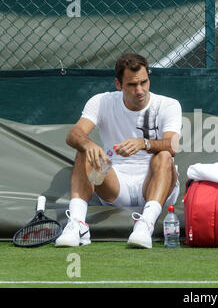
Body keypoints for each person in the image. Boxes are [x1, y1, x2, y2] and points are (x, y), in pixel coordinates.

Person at [55, 53, 182, 249]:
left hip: (155, 185)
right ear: (118, 84)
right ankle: (77, 225)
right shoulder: (101, 101)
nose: (140, 90)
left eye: (144, 82)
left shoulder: (168, 105)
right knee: (84, 150)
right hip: (114, 186)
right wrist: (89, 145)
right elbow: (74, 134)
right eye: (132, 85)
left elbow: (173, 146)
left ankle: (145, 225)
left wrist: (144, 143)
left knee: (164, 155)